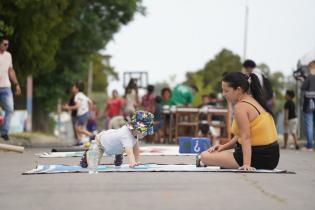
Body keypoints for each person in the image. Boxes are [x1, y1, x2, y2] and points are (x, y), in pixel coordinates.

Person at [197, 72, 279, 170]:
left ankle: (205, 160)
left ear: (238, 89)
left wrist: (246, 164)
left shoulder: (241, 107)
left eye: (226, 91)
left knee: (204, 155)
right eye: (222, 91)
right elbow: (242, 134)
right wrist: (223, 147)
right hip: (273, 157)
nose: (223, 94)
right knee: (219, 153)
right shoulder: (255, 101)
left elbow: (246, 137)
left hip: (258, 157)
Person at [80, 110, 154, 168]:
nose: (146, 134)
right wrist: (132, 162)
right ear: (136, 128)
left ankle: (118, 153)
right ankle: (87, 155)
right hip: (101, 142)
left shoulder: (134, 133)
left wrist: (137, 161)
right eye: (144, 131)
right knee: (93, 164)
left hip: (113, 141)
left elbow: (136, 148)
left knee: (120, 144)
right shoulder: (126, 136)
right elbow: (129, 152)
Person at [0, 36, 21, 140]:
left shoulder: (8, 55)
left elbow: (10, 71)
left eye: (7, 44)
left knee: (10, 109)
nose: (6, 46)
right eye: (4, 44)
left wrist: (16, 84)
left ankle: (4, 132)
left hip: (6, 87)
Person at [63, 81, 92, 145]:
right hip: (85, 113)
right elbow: (90, 102)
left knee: (78, 128)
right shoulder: (83, 95)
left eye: (74, 87)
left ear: (77, 89)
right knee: (78, 127)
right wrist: (89, 111)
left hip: (82, 114)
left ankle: (92, 136)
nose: (72, 88)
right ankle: (80, 141)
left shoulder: (77, 96)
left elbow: (77, 106)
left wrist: (68, 107)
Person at [299, 60, 315, 151]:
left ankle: (309, 146)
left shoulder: (309, 77)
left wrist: (302, 81)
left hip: (309, 103)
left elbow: (303, 88)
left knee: (309, 125)